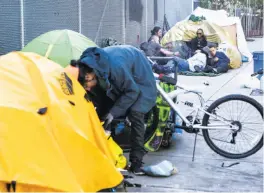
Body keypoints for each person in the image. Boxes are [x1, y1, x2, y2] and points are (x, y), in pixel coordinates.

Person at [67, 45, 157, 175]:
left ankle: (136, 161)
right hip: (120, 69)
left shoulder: (116, 70)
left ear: (92, 75)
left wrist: (113, 113)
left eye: (87, 84)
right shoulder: (88, 67)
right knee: (102, 107)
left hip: (139, 74)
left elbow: (132, 91)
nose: (87, 88)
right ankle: (98, 150)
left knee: (136, 113)